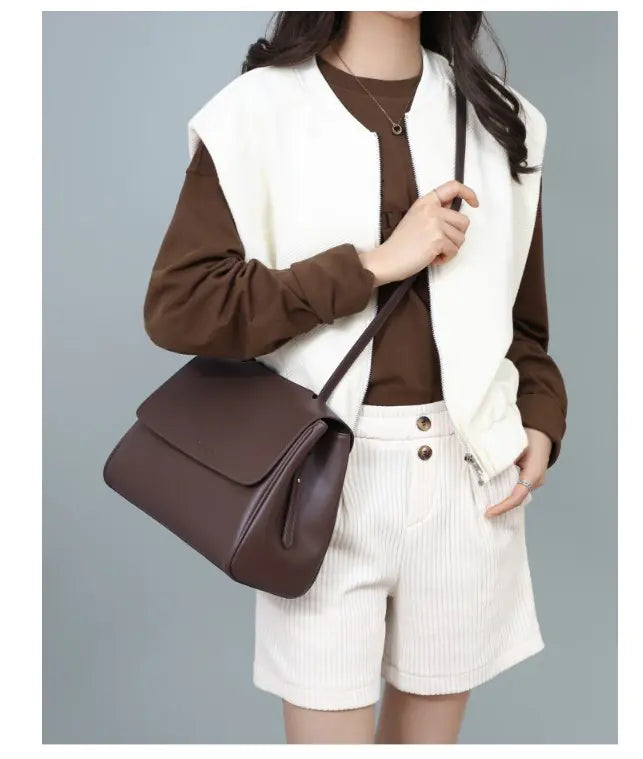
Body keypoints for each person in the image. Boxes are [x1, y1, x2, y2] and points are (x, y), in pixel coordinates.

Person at [142, 11, 567, 745]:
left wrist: (541, 417)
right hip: (321, 482)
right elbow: (182, 306)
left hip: (468, 482)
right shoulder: (255, 113)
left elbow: (521, 323)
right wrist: (370, 265)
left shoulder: (502, 120)